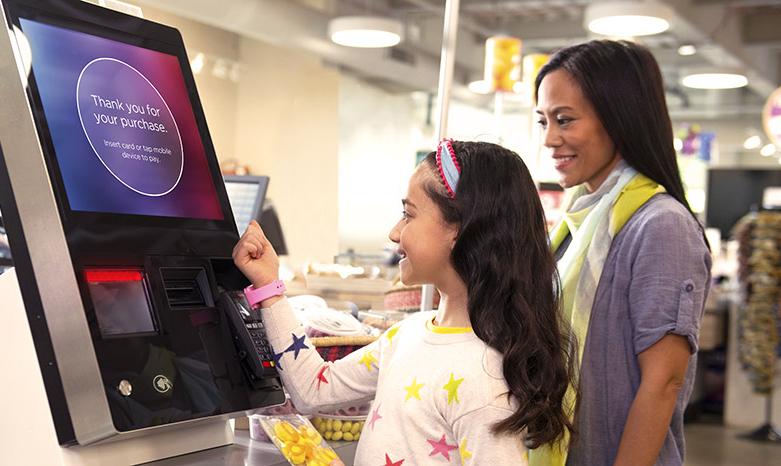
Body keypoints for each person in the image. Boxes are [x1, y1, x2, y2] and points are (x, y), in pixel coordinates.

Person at [233, 140, 575, 465]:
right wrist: (269, 287)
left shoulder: (484, 383)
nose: (395, 232)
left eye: (409, 215)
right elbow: (313, 390)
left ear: (459, 228)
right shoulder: (407, 334)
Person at [531, 40, 712, 466]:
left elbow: (664, 381)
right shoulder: (576, 221)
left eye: (565, 120)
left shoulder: (660, 225)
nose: (550, 139)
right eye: (543, 121)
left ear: (619, 117)